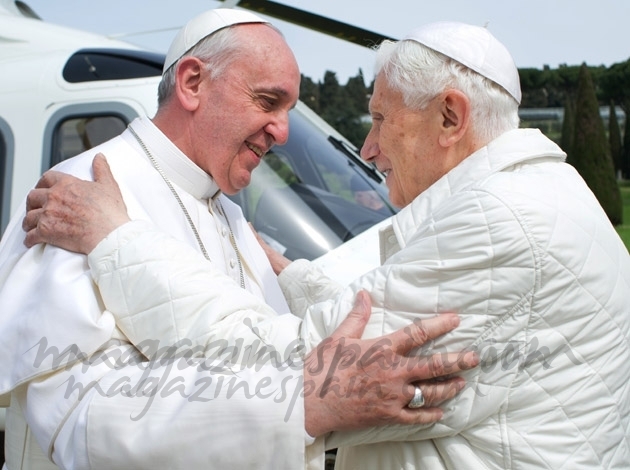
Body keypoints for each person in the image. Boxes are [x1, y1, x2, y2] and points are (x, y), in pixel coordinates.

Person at [22, 20, 630, 469]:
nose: (367, 148)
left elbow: (303, 363)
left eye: (381, 119)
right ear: (190, 81)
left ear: (450, 119)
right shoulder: (79, 196)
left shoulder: (504, 224)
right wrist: (285, 276)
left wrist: (119, 243)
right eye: (268, 101)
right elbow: (78, 420)